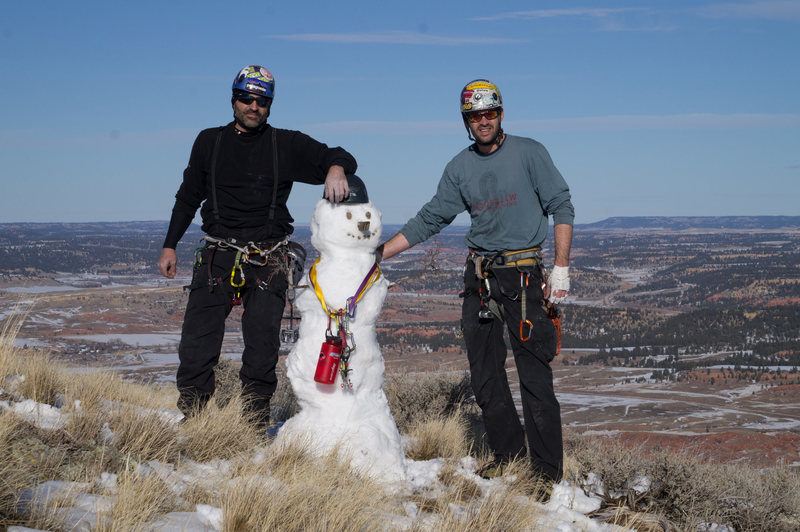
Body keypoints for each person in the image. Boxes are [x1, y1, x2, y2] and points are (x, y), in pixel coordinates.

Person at [378, 79, 574, 484]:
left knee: (534, 377)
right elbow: (430, 219)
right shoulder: (459, 168)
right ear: (466, 120)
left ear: (501, 114)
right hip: (481, 276)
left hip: (522, 276)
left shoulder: (530, 153)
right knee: (485, 377)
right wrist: (376, 255)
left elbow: (561, 205)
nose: (483, 121)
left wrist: (561, 266)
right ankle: (509, 456)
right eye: (475, 115)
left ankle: (546, 474)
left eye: (490, 113)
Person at [157, 65, 358, 431]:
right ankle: (196, 417)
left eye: (262, 100)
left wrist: (336, 169)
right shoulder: (209, 142)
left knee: (262, 345)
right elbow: (188, 197)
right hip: (218, 252)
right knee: (197, 342)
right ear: (233, 99)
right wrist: (170, 245)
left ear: (270, 104)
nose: (253, 106)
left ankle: (252, 423)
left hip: (268, 256)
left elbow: (340, 154)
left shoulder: (285, 144)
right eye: (246, 98)